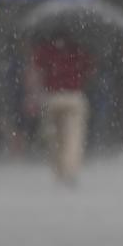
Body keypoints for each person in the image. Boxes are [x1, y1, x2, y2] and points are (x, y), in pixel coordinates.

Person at [31, 34, 94, 186]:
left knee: (54, 137)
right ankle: (70, 170)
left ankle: (58, 170)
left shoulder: (45, 50)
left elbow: (37, 71)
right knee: (73, 136)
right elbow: (89, 70)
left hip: (52, 97)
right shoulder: (79, 49)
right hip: (74, 96)